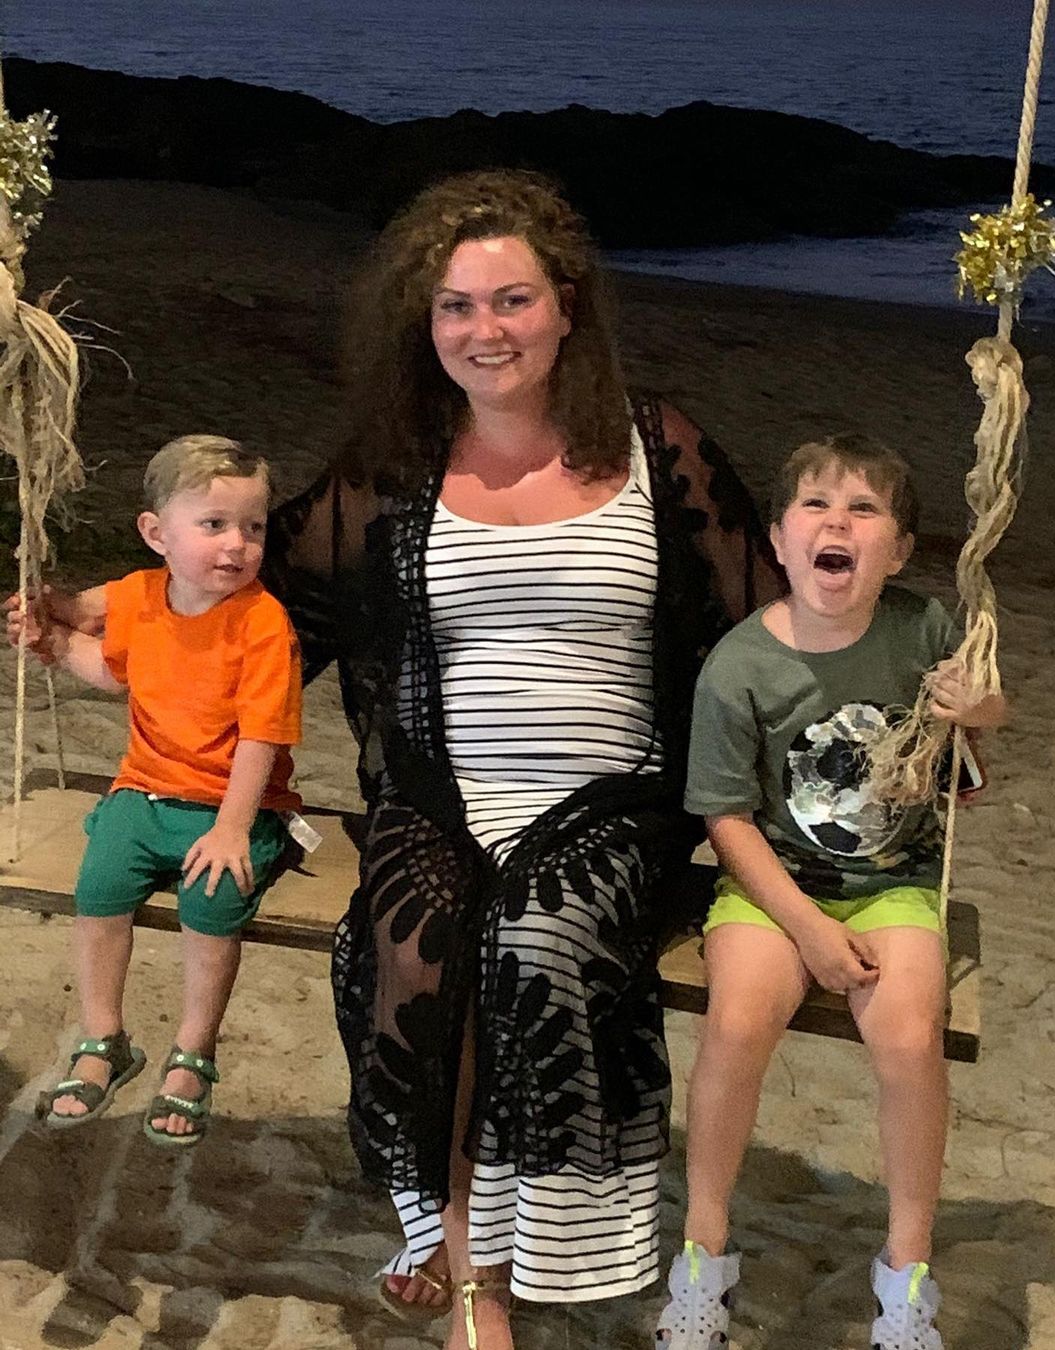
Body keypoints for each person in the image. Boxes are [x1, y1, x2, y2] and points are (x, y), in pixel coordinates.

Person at [261, 169, 783, 1350]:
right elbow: (268, 610)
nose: (484, 331)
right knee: (416, 940)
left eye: (511, 301)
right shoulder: (392, 467)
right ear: (423, 322)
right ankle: (453, 1251)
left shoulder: (659, 448)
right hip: (438, 796)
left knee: (534, 940)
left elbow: (772, 624)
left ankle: (514, 1253)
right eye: (455, 306)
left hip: (615, 806)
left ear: (566, 307)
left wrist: (915, 721)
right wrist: (105, 629)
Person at [657, 433, 1007, 1350]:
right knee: (737, 1023)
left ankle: (906, 1271)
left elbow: (976, 746)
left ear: (895, 551)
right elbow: (725, 820)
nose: (837, 523)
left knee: (907, 1034)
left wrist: (981, 714)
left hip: (891, 883)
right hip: (773, 887)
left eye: (864, 510)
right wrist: (806, 927)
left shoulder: (924, 629)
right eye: (816, 506)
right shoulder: (740, 663)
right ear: (778, 540)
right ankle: (702, 1252)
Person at [6, 436, 301, 1148]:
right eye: (214, 525)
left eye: (253, 528)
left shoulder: (263, 623)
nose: (237, 545)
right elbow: (83, 620)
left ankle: (194, 1051)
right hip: (143, 789)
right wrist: (40, 615)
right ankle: (104, 1035)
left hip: (237, 800)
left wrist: (233, 827)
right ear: (156, 533)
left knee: (213, 899)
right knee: (100, 887)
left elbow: (262, 740)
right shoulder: (139, 595)